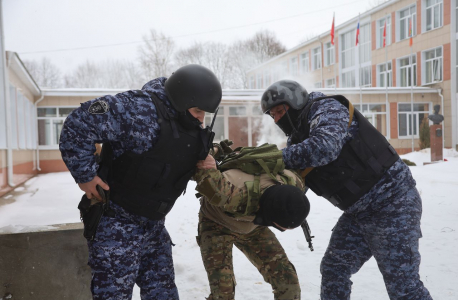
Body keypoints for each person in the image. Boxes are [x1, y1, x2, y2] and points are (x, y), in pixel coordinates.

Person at [59, 64, 222, 300]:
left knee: (164, 294)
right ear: (181, 99)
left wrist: (209, 162)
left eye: (205, 113)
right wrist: (85, 176)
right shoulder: (136, 109)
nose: (201, 119)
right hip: (116, 225)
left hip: (154, 229)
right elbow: (78, 124)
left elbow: (177, 157)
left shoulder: (187, 122)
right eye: (198, 110)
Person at [261, 80, 433, 300]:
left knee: (404, 288)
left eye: (279, 110)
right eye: (272, 115)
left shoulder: (326, 108)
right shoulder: (298, 138)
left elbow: (325, 147)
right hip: (359, 213)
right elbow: (294, 183)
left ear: (294, 102)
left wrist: (275, 157)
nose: (277, 118)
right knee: (334, 270)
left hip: (393, 203)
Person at [194, 144, 309, 300]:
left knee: (288, 282)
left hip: (254, 228)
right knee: (223, 293)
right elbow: (201, 164)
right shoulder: (229, 193)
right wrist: (214, 152)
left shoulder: (294, 182)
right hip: (216, 224)